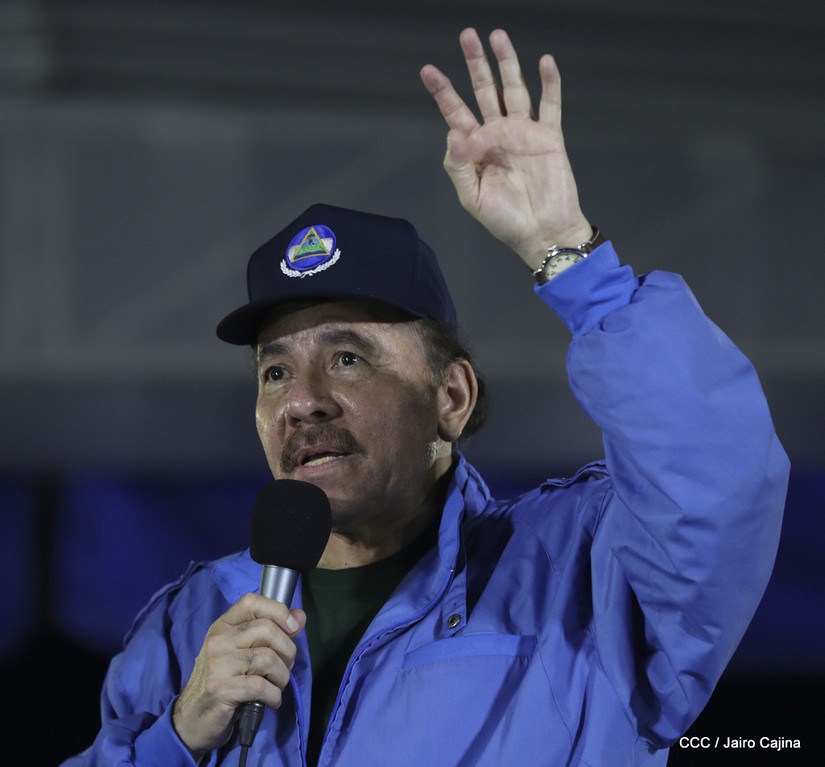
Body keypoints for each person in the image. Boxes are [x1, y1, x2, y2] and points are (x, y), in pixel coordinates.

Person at [61, 28, 788, 767]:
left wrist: (573, 258)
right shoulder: (188, 626)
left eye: (347, 358)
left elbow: (717, 482)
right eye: (274, 372)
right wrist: (176, 738)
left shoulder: (581, 573)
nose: (301, 402)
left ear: (452, 398)